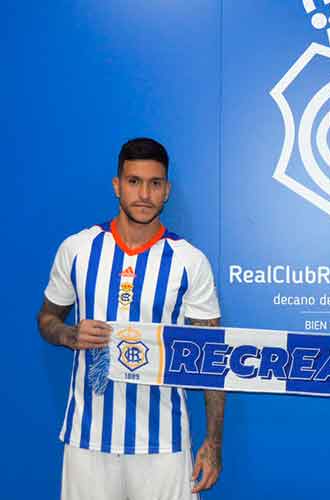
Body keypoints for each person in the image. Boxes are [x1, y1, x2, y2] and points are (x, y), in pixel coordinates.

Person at [37, 138, 226, 500]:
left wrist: (213, 443)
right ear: (117, 186)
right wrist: (68, 335)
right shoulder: (77, 249)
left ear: (166, 190)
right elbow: (47, 318)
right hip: (88, 439)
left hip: (164, 442)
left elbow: (212, 358)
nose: (144, 194)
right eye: (134, 181)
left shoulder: (188, 261)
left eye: (155, 183)